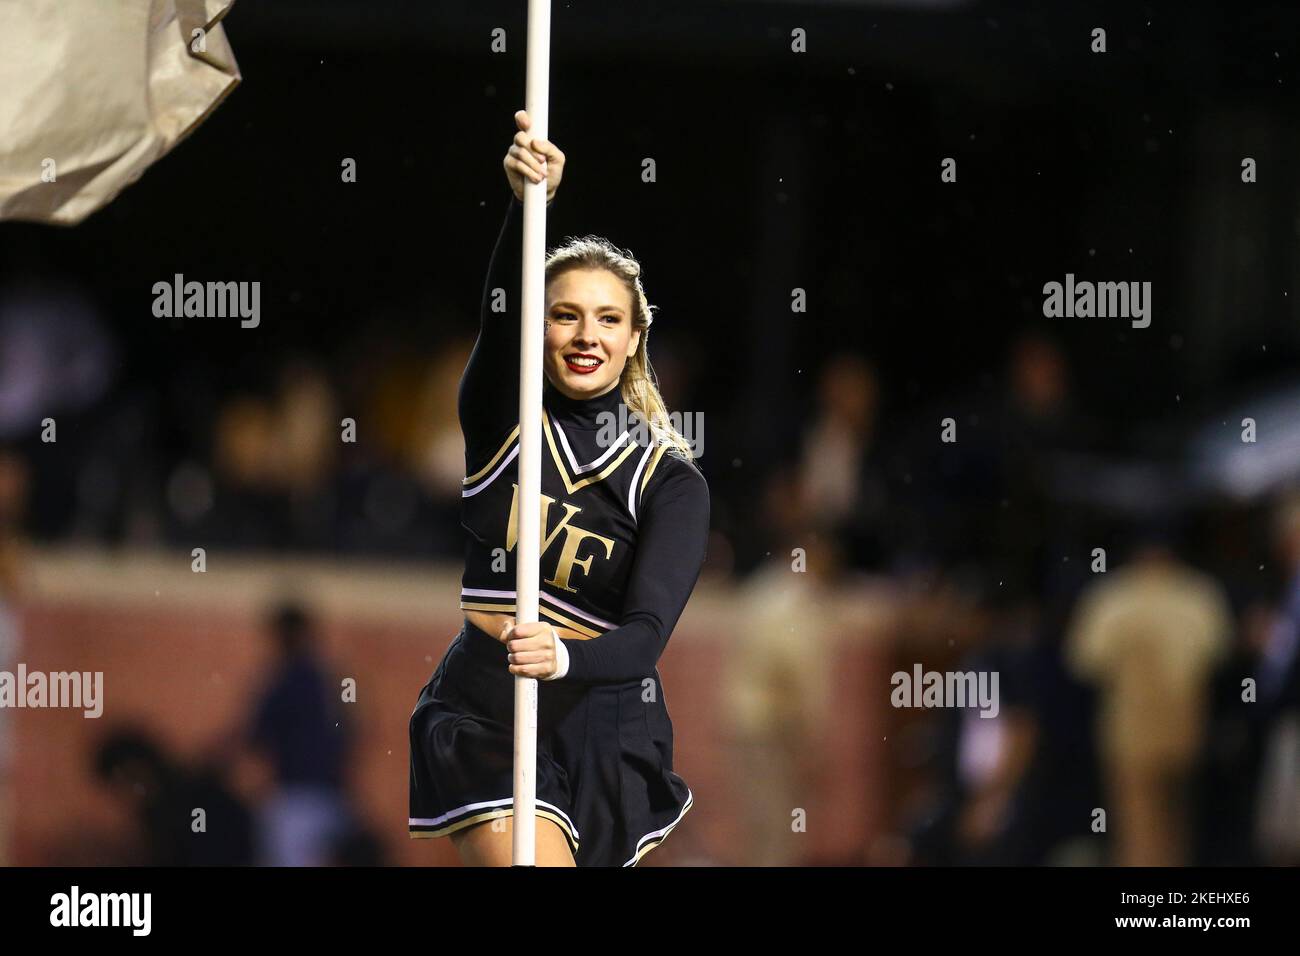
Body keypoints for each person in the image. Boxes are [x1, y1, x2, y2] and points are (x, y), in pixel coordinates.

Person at [408, 110, 710, 866]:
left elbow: (645, 638)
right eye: (564, 316)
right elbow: (497, 315)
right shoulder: (502, 421)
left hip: (605, 727)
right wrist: (525, 203)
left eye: (608, 319)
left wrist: (565, 658)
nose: (586, 336)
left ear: (635, 336)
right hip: (486, 709)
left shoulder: (670, 481)